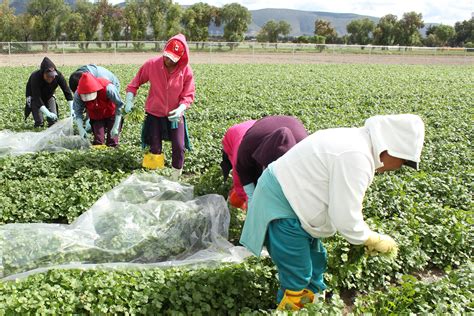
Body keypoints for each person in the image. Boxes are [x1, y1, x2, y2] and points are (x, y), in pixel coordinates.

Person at [239, 114, 425, 311]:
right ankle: (291, 310)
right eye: (403, 161)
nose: (398, 167)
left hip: (297, 205)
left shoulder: (358, 144)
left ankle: (312, 307)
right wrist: (370, 238)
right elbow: (344, 215)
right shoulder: (356, 156)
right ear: (391, 149)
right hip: (283, 209)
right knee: (297, 275)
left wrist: (363, 236)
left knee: (316, 264)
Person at [124, 34, 195, 180]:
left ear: (180, 58)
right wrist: (129, 99)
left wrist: (181, 108)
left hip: (175, 115)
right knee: (155, 147)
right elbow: (134, 83)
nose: (167, 60)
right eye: (166, 56)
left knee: (179, 146)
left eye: (172, 59)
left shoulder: (186, 71)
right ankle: (154, 178)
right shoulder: (152, 64)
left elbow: (188, 95)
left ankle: (175, 177)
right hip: (154, 114)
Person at [235, 115, 309, 204]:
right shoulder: (248, 146)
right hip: (262, 128)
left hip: (293, 127)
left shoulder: (305, 151)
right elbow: (244, 170)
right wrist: (252, 199)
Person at [73, 72, 124, 148]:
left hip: (112, 113)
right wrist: (81, 128)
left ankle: (113, 154)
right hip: (96, 116)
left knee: (113, 140)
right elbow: (78, 112)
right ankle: (98, 157)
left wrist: (116, 126)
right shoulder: (78, 94)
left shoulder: (108, 88)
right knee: (98, 141)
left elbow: (120, 105)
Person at [69, 64, 121, 131]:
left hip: (113, 85)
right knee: (90, 102)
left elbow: (117, 104)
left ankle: (104, 125)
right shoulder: (78, 77)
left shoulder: (105, 83)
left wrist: (89, 118)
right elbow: (86, 101)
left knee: (105, 111)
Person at [25, 57, 73, 127]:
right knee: (39, 122)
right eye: (48, 76)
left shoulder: (58, 76)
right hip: (35, 99)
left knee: (53, 121)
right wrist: (47, 113)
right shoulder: (35, 77)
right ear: (43, 73)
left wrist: (72, 109)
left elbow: (67, 91)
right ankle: (39, 128)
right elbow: (37, 97)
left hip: (49, 96)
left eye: (53, 76)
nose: (51, 78)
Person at [220, 120, 257, 210]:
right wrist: (246, 198)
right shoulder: (240, 156)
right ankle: (227, 185)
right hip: (235, 134)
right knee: (230, 165)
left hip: (254, 129)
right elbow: (240, 177)